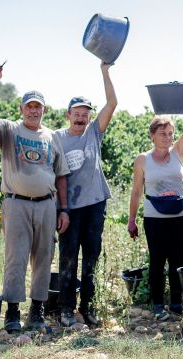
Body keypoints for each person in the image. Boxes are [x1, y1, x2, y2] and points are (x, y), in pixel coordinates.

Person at [0, 64, 70, 332]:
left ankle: (36, 312)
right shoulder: (8, 130)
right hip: (16, 203)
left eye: (38, 106)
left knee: (43, 257)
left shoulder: (52, 137)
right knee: (15, 258)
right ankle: (13, 312)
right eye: (29, 106)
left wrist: (64, 210)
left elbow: (61, 175)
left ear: (44, 110)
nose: (33, 110)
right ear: (21, 109)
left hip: (47, 205)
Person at [55, 63, 117, 327]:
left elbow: (112, 103)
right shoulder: (57, 138)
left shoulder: (94, 133)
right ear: (68, 115)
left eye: (85, 113)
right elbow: (57, 176)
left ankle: (87, 307)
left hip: (94, 205)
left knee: (91, 256)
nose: (81, 117)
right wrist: (62, 210)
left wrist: (105, 71)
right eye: (77, 113)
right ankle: (65, 308)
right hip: (69, 207)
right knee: (68, 257)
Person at [128, 108, 183, 320]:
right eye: (162, 133)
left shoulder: (178, 152)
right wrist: (131, 219)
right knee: (157, 261)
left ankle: (176, 303)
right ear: (152, 135)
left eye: (170, 134)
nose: (167, 138)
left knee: (177, 260)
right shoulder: (143, 159)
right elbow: (137, 191)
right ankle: (158, 305)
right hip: (154, 217)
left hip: (180, 215)